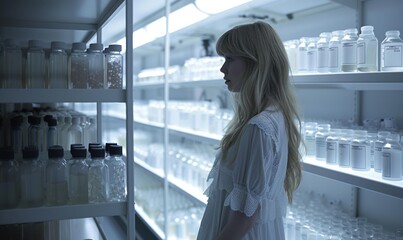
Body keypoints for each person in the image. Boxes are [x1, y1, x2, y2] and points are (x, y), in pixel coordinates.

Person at [196, 21, 303, 240]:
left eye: (230, 59)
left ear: (256, 63)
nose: (222, 69)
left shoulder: (259, 127)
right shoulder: (276, 115)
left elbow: (244, 218)